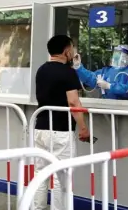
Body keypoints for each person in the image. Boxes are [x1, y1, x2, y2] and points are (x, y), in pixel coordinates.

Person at [33, 35, 90, 210]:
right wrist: (83, 127)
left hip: (40, 128)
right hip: (61, 131)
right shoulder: (68, 72)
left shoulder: (41, 70)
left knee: (40, 174)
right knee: (62, 177)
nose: (73, 52)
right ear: (66, 51)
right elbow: (73, 102)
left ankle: (38, 208)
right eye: (72, 48)